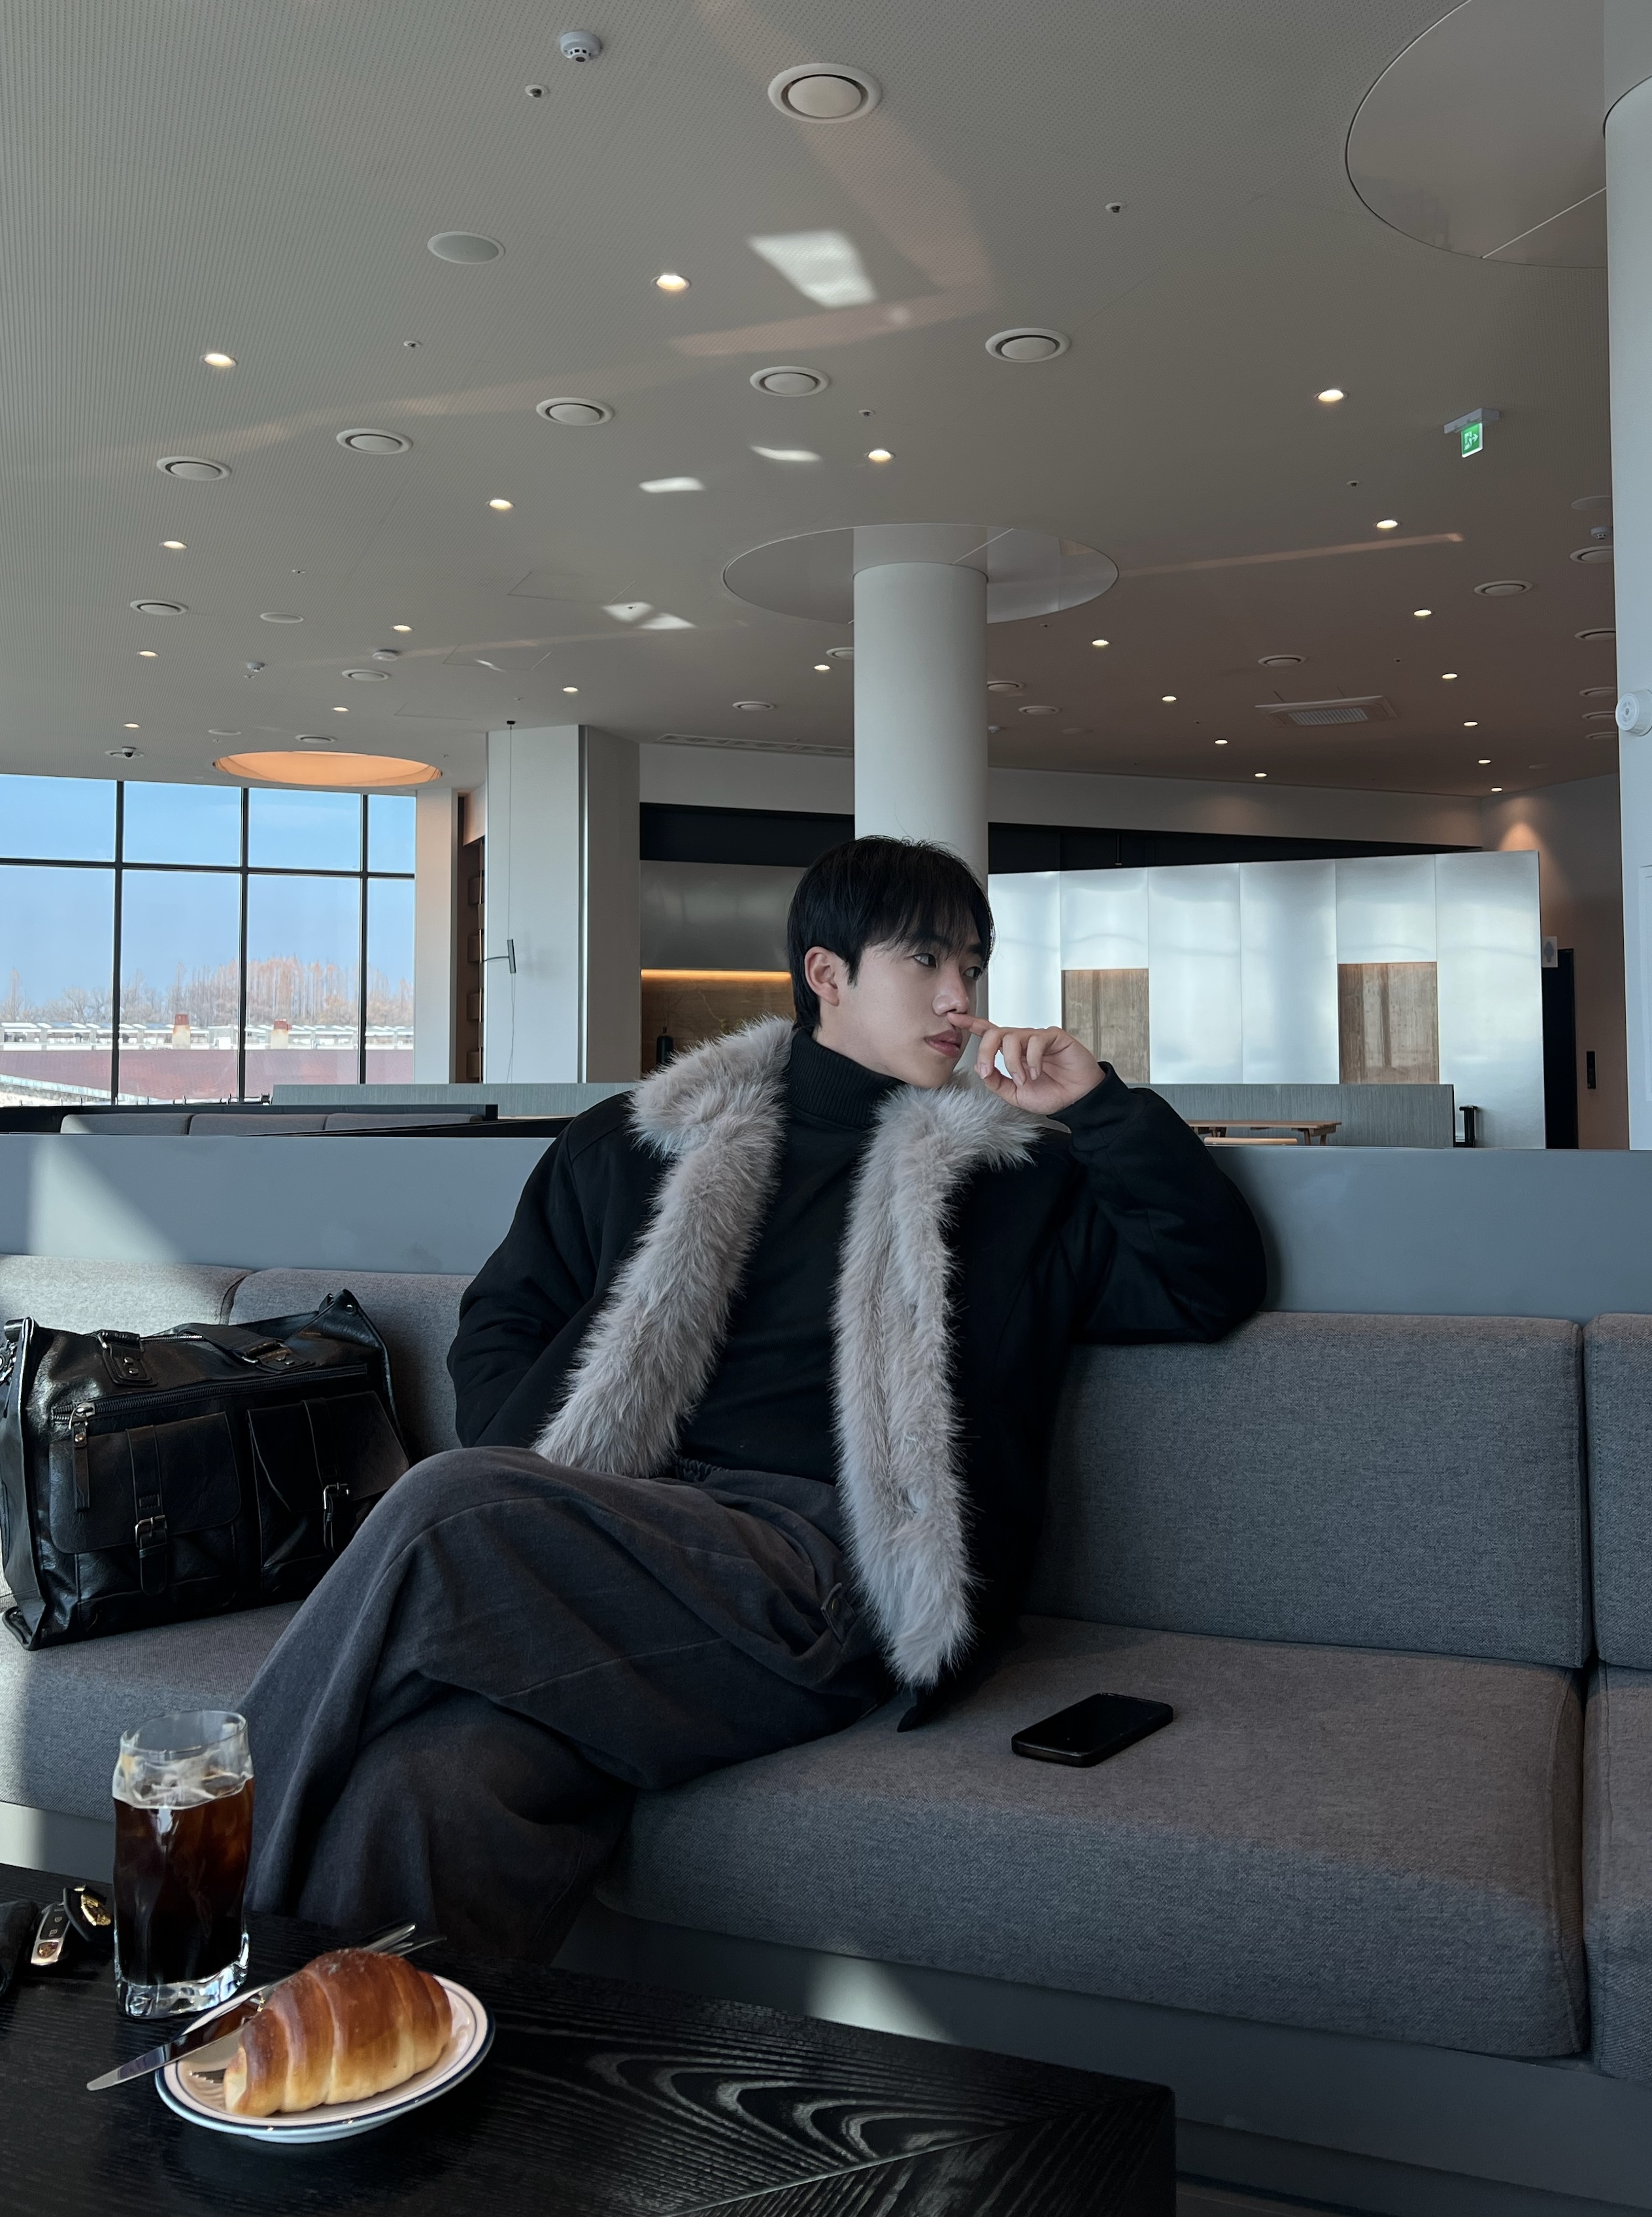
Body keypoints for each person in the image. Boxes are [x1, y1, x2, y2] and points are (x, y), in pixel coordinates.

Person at [244, 836, 1265, 1954]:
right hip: (621, 1541)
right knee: (426, 1787)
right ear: (828, 974)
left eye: (973, 964)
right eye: (926, 960)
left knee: (449, 1508)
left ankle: (196, 1898)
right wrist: (545, 1483)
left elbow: (1206, 1284)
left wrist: (1100, 1106)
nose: (961, 996)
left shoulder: (1008, 1178)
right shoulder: (641, 1143)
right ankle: (308, 2053)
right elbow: (504, 1322)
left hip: (823, 1572)